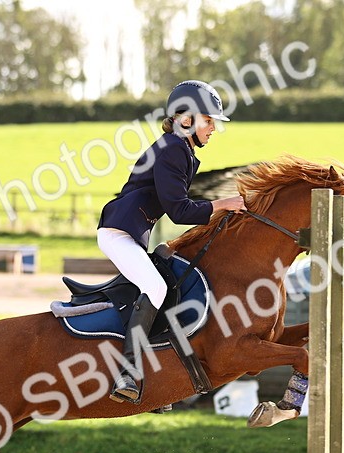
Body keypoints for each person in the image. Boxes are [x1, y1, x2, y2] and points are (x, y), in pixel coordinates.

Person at [97, 80, 246, 404]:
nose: (213, 129)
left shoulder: (180, 149)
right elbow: (179, 210)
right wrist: (223, 204)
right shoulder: (173, 148)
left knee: (169, 285)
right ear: (186, 119)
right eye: (209, 121)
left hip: (132, 233)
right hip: (118, 232)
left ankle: (157, 373)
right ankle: (126, 372)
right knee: (156, 288)